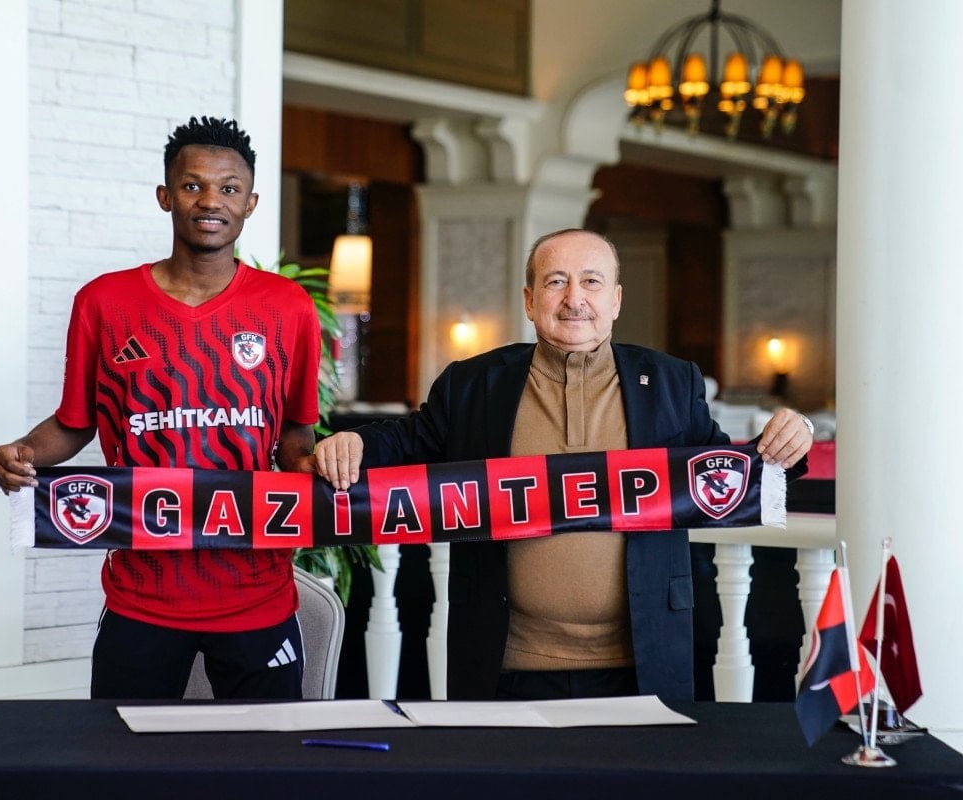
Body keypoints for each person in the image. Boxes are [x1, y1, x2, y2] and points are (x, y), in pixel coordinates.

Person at [302, 228, 812, 703]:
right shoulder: (474, 384)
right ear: (529, 300)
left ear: (616, 299)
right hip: (504, 663)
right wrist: (354, 443)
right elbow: (409, 442)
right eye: (555, 282)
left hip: (644, 660)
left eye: (591, 282)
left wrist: (793, 440)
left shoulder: (671, 382)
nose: (574, 299)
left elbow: (734, 476)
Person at [0, 116, 321, 700]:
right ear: (166, 196)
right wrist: (20, 453)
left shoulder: (287, 307)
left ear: (250, 203)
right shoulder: (104, 302)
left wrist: (321, 477)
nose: (211, 200)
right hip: (142, 594)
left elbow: (295, 436)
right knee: (124, 749)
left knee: (267, 751)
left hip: (256, 589)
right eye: (193, 185)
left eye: (229, 188)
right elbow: (74, 423)